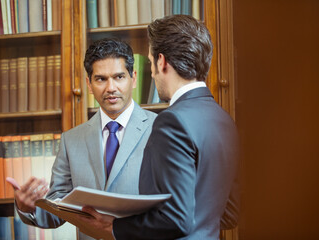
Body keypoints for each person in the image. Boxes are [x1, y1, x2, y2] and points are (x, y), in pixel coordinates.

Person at [79, 15, 239, 239]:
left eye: (150, 63)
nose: (152, 73)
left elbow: (175, 219)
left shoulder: (172, 121)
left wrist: (112, 228)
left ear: (161, 61)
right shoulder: (223, 119)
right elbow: (231, 212)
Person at [6, 38, 157, 240]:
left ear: (134, 78)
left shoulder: (160, 129)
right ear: (89, 83)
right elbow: (56, 210)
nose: (111, 87)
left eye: (119, 77)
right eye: (101, 79)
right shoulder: (71, 141)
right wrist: (27, 207)